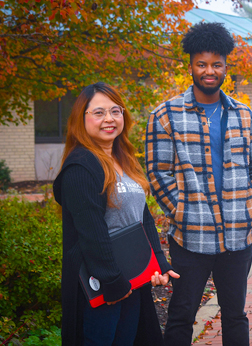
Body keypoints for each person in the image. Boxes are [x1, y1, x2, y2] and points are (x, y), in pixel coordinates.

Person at [146, 22, 252, 346]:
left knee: (235, 315)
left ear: (226, 66)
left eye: (216, 64)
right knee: (181, 314)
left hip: (237, 238)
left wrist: (251, 206)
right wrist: (182, 212)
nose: (209, 71)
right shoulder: (165, 115)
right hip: (190, 239)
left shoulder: (243, 115)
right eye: (202, 64)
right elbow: (158, 173)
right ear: (191, 66)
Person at [53, 82, 178, 345]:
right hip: (102, 286)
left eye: (115, 111)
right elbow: (91, 232)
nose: (109, 119)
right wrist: (113, 282)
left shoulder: (124, 161)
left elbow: (142, 219)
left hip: (131, 279)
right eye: (98, 112)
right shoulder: (81, 167)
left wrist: (159, 263)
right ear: (81, 118)